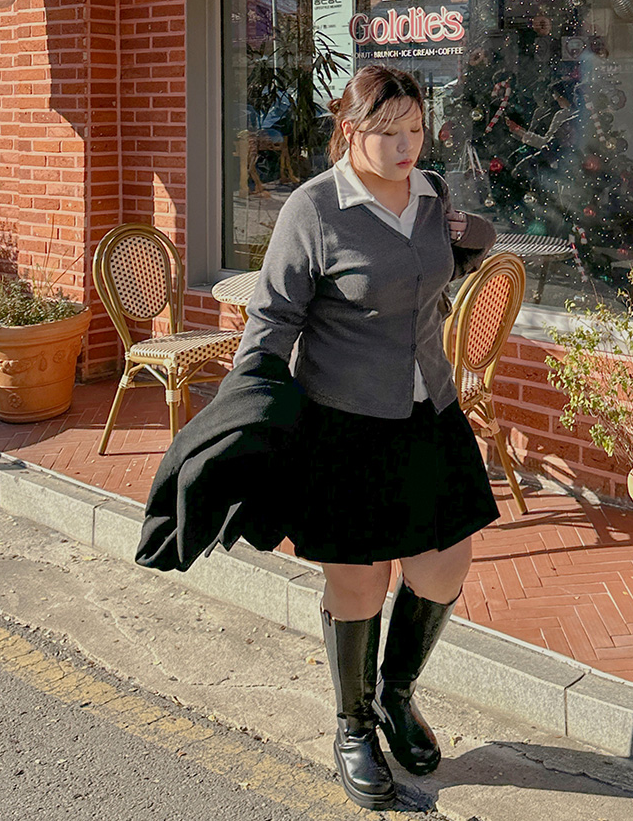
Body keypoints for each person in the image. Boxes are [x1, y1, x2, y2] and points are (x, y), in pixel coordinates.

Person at [233, 64, 500, 810]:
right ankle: (353, 725)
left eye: (416, 128)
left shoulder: (431, 192)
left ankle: (394, 694)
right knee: (358, 581)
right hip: (344, 422)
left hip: (430, 411)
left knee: (444, 566)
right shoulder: (315, 208)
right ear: (349, 130)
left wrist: (471, 236)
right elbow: (273, 317)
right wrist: (246, 408)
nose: (407, 145)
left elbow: (458, 252)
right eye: (389, 133)